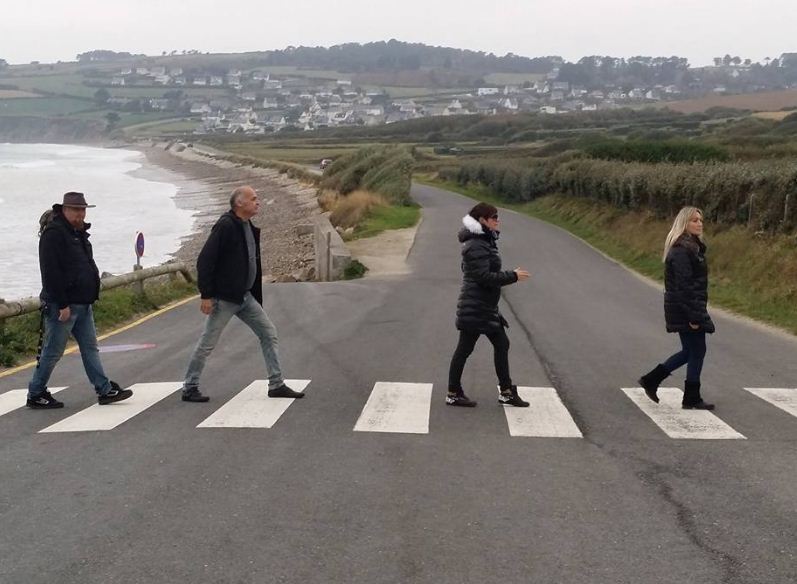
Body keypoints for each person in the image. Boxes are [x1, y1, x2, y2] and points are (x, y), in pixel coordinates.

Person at [180, 185, 304, 402]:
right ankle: (190, 387)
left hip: (245, 297)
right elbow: (205, 261)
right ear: (239, 203)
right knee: (207, 343)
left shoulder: (247, 224)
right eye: (254, 198)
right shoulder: (225, 226)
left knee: (268, 333)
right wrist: (206, 295)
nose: (258, 202)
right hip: (224, 298)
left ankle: (276, 384)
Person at [26, 192, 132, 409]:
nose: (80, 214)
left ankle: (104, 389)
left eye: (82, 210)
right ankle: (35, 393)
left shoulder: (78, 233)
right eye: (76, 210)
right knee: (53, 352)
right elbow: (50, 272)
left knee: (90, 347)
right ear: (64, 210)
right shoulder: (54, 234)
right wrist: (62, 304)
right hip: (63, 306)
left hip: (83, 303)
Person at [446, 202, 531, 408]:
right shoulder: (476, 244)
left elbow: (484, 272)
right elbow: (484, 276)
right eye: (494, 217)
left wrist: (509, 275)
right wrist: (512, 276)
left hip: (484, 306)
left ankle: (506, 391)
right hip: (475, 307)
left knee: (501, 344)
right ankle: (454, 392)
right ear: (482, 220)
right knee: (465, 349)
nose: (497, 220)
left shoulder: (484, 241)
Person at [638, 206, 715, 410]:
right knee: (696, 350)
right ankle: (689, 395)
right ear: (684, 224)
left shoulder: (691, 247)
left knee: (691, 350)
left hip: (686, 306)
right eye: (694, 220)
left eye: (700, 220)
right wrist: (693, 316)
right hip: (686, 308)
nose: (699, 223)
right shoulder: (682, 250)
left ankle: (653, 380)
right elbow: (684, 287)